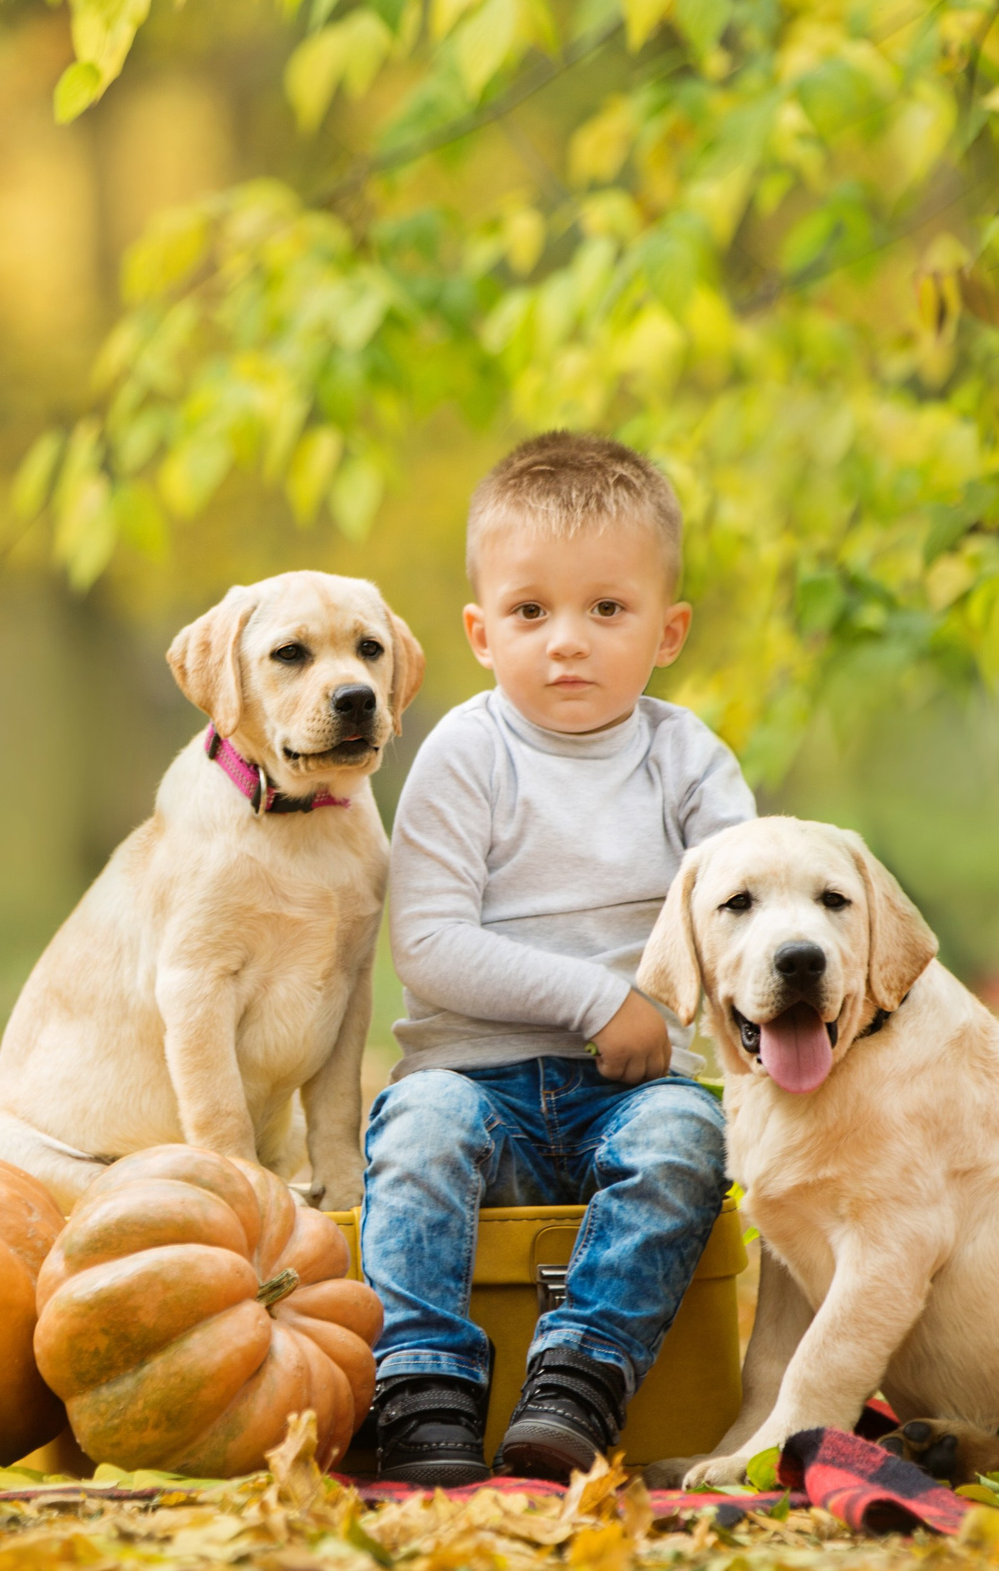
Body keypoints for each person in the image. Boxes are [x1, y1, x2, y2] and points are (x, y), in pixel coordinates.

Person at [362, 432, 752, 1484]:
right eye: (531, 611)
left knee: (683, 1141)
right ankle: (424, 1378)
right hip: (475, 1084)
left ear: (667, 631)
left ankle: (580, 1374)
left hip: (632, 1090)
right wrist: (597, 998)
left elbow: (742, 913)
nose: (566, 641)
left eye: (606, 609)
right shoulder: (463, 752)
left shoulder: (686, 760)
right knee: (417, 1135)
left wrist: (674, 1024)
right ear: (481, 632)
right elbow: (431, 946)